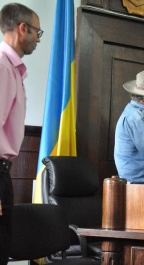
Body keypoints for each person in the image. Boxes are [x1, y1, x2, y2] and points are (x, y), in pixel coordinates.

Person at [0, 3, 42, 264]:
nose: (38, 38)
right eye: (37, 32)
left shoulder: (10, 67)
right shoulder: (3, 67)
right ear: (22, 28)